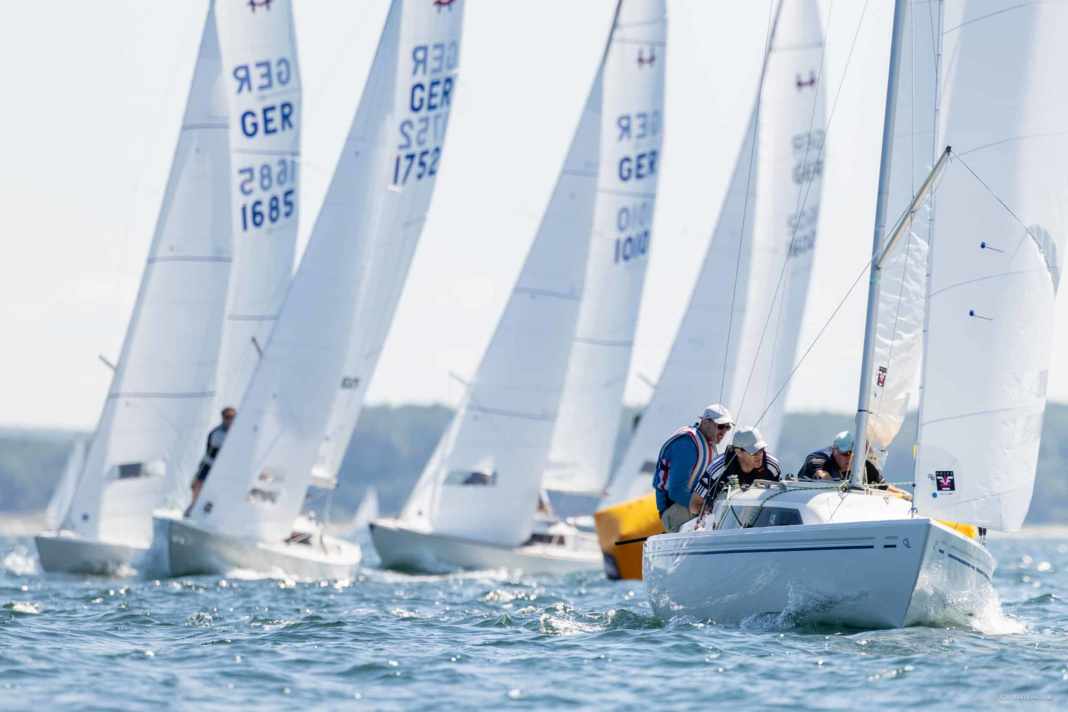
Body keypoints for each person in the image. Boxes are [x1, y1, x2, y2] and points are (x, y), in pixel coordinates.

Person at [652, 403, 734, 532]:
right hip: (675, 511)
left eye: (727, 427)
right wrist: (706, 507)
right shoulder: (687, 443)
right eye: (720, 426)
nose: (723, 432)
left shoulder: (708, 444)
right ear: (706, 422)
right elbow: (676, 491)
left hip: (693, 509)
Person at [692, 425, 782, 512]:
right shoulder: (717, 468)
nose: (759, 456)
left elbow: (778, 500)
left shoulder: (772, 466)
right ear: (738, 452)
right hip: (721, 519)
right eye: (754, 452)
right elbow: (694, 505)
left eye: (761, 450)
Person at [184, 407, 236, 517]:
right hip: (210, 464)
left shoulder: (240, 434)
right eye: (227, 417)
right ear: (223, 418)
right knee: (197, 485)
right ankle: (193, 507)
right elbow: (213, 453)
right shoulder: (217, 433)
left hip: (228, 467)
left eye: (233, 417)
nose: (230, 419)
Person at [796, 430, 884, 484]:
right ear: (834, 450)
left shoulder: (861, 465)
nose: (850, 458)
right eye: (845, 454)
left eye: (854, 454)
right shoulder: (818, 458)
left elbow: (884, 487)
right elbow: (822, 475)